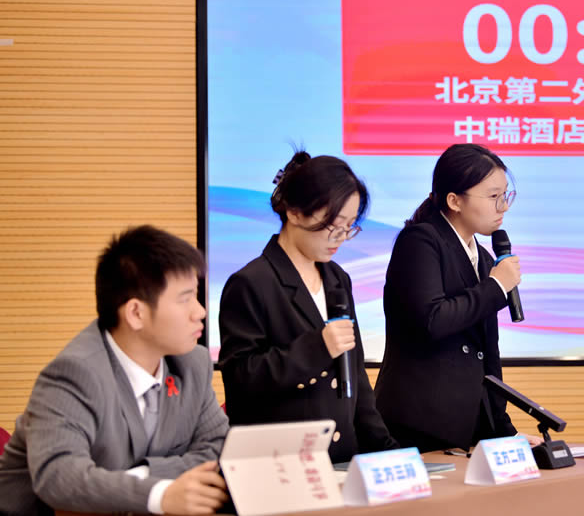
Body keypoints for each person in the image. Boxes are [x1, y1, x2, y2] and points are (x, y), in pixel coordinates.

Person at [0, 225, 230, 516]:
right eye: (185, 299)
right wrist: (159, 494)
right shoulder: (74, 373)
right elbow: (59, 476)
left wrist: (142, 476)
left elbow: (217, 449)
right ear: (136, 313)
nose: (200, 312)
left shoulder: (192, 364)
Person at [218, 151, 398, 464]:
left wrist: (388, 451)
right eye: (333, 224)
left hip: (342, 460)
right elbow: (241, 381)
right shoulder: (251, 283)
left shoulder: (337, 278)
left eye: (350, 226)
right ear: (295, 212)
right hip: (283, 464)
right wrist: (317, 348)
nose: (341, 237)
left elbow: (356, 380)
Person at [374, 143, 542, 452]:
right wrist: (495, 287)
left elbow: (488, 357)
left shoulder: (484, 258)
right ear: (454, 201)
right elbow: (431, 321)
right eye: (493, 196)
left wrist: (504, 432)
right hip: (418, 424)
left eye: (505, 195)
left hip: (468, 426)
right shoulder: (420, 241)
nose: (503, 207)